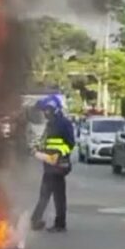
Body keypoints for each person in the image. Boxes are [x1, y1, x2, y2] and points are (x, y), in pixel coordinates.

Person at [30, 95, 75, 233]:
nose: (45, 113)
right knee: (45, 193)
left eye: (47, 110)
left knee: (57, 195)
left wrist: (58, 155)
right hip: (49, 165)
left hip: (59, 165)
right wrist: (38, 149)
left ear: (55, 110)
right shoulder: (50, 124)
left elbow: (71, 144)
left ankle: (58, 224)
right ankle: (36, 220)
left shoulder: (64, 124)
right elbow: (46, 143)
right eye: (44, 111)